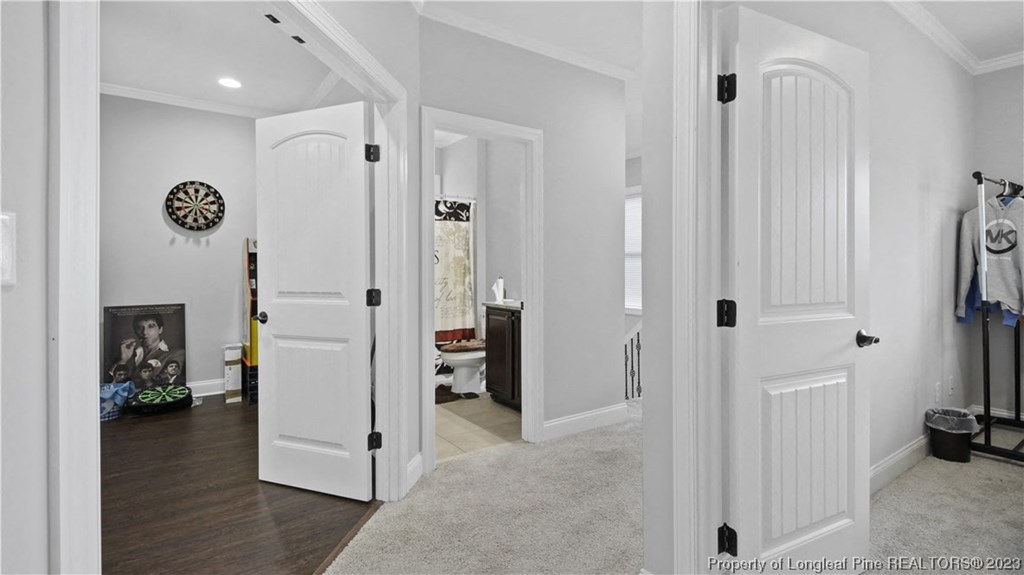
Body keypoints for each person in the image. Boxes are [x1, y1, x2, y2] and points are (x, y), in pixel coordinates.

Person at [112, 312, 185, 383]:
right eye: (140, 328)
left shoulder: (176, 353)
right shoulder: (129, 353)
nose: (144, 332)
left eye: (151, 326)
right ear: (135, 331)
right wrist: (123, 360)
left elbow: (167, 380)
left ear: (160, 329)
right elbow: (109, 385)